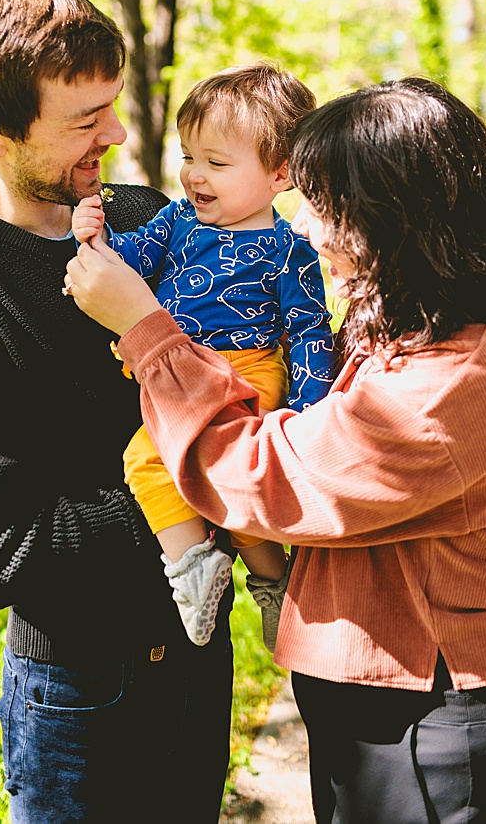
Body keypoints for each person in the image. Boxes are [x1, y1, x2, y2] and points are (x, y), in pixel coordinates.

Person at [65, 76, 486, 824]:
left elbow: (257, 475)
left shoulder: (449, 382)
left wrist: (146, 329)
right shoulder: (450, 308)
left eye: (328, 208)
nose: (303, 229)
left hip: (438, 739)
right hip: (408, 718)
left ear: (396, 220)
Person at [0, 0, 232, 821]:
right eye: (85, 122)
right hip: (80, 696)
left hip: (201, 660)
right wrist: (204, 485)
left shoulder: (147, 218)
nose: (115, 136)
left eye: (112, 107)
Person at [69, 61, 331, 650]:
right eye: (189, 157)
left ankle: (263, 579)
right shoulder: (178, 219)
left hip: (246, 370)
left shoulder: (290, 250)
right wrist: (95, 237)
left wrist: (307, 412)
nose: (194, 176)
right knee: (149, 462)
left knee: (220, 470)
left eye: (216, 163)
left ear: (279, 173)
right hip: (172, 367)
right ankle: (201, 563)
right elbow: (132, 259)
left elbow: (310, 331)